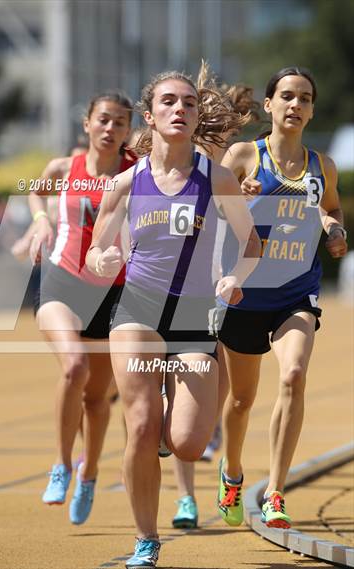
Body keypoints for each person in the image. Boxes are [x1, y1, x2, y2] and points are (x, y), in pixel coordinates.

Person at [86, 71, 260, 569]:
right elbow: (100, 247)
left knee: (186, 444)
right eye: (168, 102)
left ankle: (170, 427)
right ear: (151, 116)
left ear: (196, 114)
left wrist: (234, 276)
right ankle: (146, 538)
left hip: (193, 315)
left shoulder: (217, 178)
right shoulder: (126, 183)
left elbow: (250, 243)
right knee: (140, 423)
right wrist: (102, 261)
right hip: (138, 309)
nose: (179, 109)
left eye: (187, 102)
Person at [217, 67, 348, 529]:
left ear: (312, 110)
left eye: (305, 98)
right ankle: (231, 472)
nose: (296, 105)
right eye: (287, 96)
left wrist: (335, 228)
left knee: (293, 374)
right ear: (269, 105)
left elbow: (330, 206)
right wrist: (235, 191)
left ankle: (275, 492)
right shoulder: (243, 155)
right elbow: (206, 203)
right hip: (245, 293)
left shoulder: (321, 165)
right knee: (240, 400)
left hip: (296, 291)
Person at [28, 91, 134, 525]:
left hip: (114, 291)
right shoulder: (63, 168)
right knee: (74, 367)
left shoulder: (136, 173)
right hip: (64, 279)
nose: (110, 129)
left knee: (96, 399)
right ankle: (62, 463)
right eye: (103, 120)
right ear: (87, 123)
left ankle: (89, 472)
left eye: (120, 123)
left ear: (129, 131)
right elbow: (36, 192)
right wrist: (41, 220)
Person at [171, 60, 261, 530]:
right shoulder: (169, 166)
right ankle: (185, 497)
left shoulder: (228, 173)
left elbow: (246, 233)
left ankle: (223, 470)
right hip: (179, 297)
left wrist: (243, 196)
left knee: (221, 401)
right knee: (179, 399)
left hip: (224, 293)